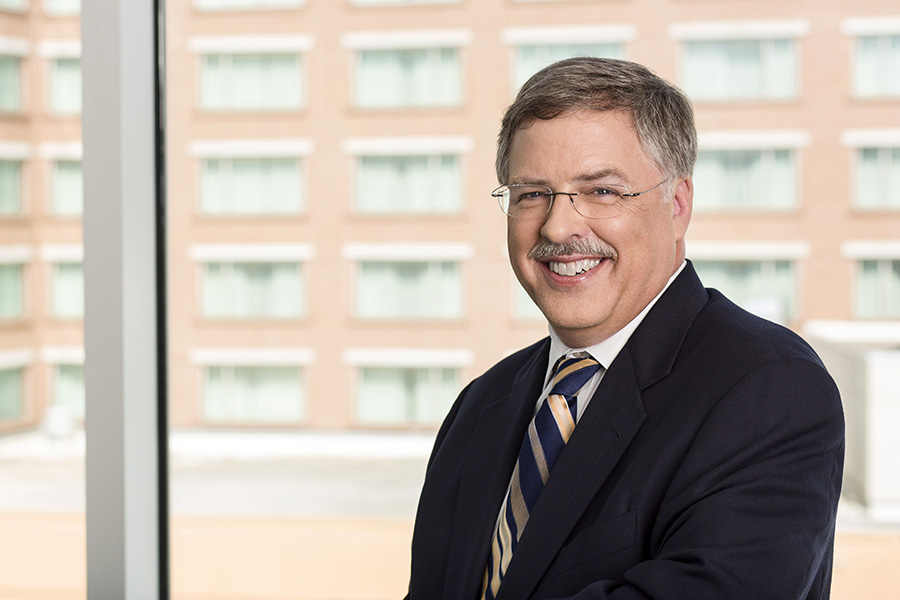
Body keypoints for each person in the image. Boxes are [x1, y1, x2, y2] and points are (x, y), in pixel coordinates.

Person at [405, 57, 845, 600]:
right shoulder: (481, 404)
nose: (558, 225)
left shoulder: (768, 388)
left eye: (603, 191)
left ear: (678, 205)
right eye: (531, 194)